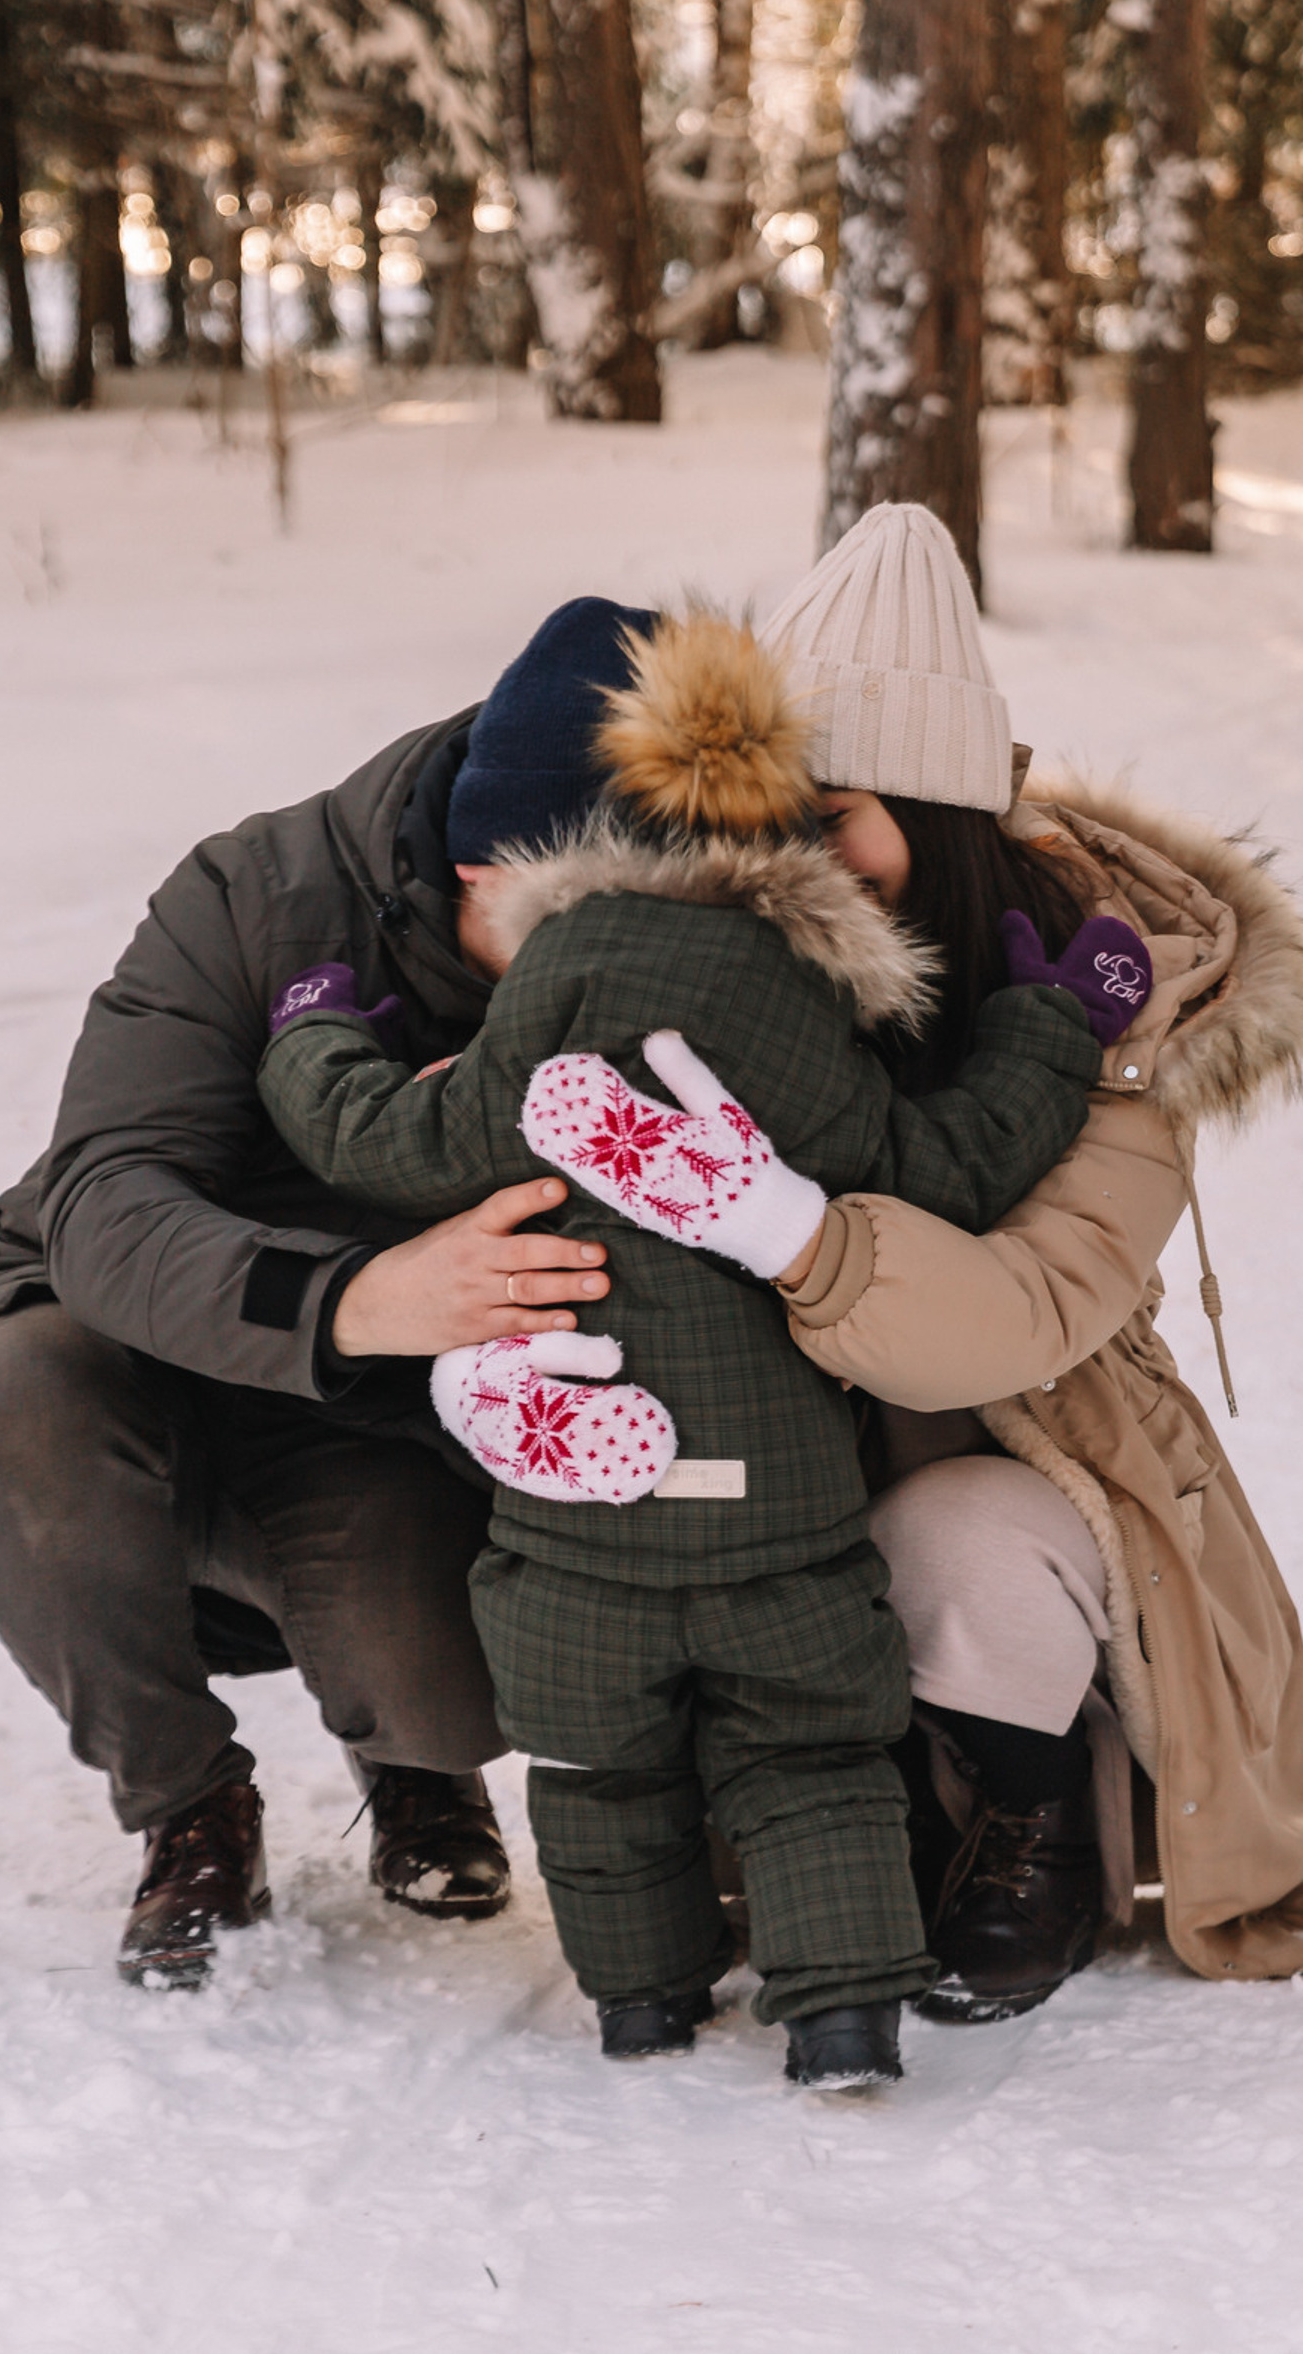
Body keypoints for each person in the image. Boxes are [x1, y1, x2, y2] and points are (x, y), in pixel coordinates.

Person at [252, 596, 1149, 2087]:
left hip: (579, 1541)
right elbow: (944, 1166)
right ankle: (845, 2012)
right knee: (812, 1761)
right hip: (780, 1525)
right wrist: (1048, 1028)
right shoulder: (805, 1003)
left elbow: (391, 1141)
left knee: (601, 1777)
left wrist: (311, 1032)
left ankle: (645, 2002)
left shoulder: (544, 999)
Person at [589, 502, 1303, 2021]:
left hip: (1038, 1476)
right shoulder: (721, 961)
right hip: (783, 1471)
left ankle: (1040, 1818)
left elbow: (1022, 1315)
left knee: (951, 1533)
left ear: (939, 813)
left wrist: (788, 1231)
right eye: (770, 813)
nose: (791, 857)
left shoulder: (1116, 1015)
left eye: (836, 814)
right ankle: (853, 1816)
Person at [0, 602, 644, 1986]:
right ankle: (189, 1800)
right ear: (479, 869)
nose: (599, 976)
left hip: (362, 1416)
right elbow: (104, 1207)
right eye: (569, 931)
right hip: (122, 1349)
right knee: (15, 1395)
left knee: (452, 1695)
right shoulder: (255, 894)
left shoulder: (656, 936)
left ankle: (414, 1760)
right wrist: (364, 1294)